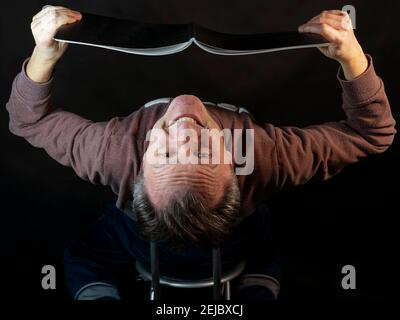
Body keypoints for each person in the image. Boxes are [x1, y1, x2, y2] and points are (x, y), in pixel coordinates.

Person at [6, 6, 396, 300]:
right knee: (267, 239)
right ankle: (260, 280)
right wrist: (351, 58)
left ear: (139, 170)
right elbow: (373, 133)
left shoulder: (114, 153)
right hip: (237, 241)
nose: (185, 124)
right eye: (206, 152)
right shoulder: (262, 156)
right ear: (235, 166)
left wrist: (45, 54)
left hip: (135, 238)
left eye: (167, 152)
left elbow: (26, 120)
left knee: (85, 254)